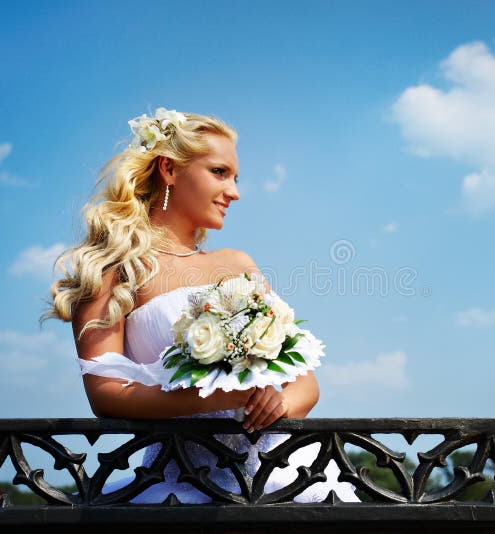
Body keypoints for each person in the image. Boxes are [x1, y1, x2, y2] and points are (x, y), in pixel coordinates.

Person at [42, 108, 359, 503]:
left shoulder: (238, 264)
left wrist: (279, 401)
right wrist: (222, 396)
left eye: (235, 178)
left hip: (289, 476)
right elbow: (106, 395)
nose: (235, 192)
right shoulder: (112, 270)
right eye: (220, 172)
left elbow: (305, 382)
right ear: (170, 170)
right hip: (182, 483)